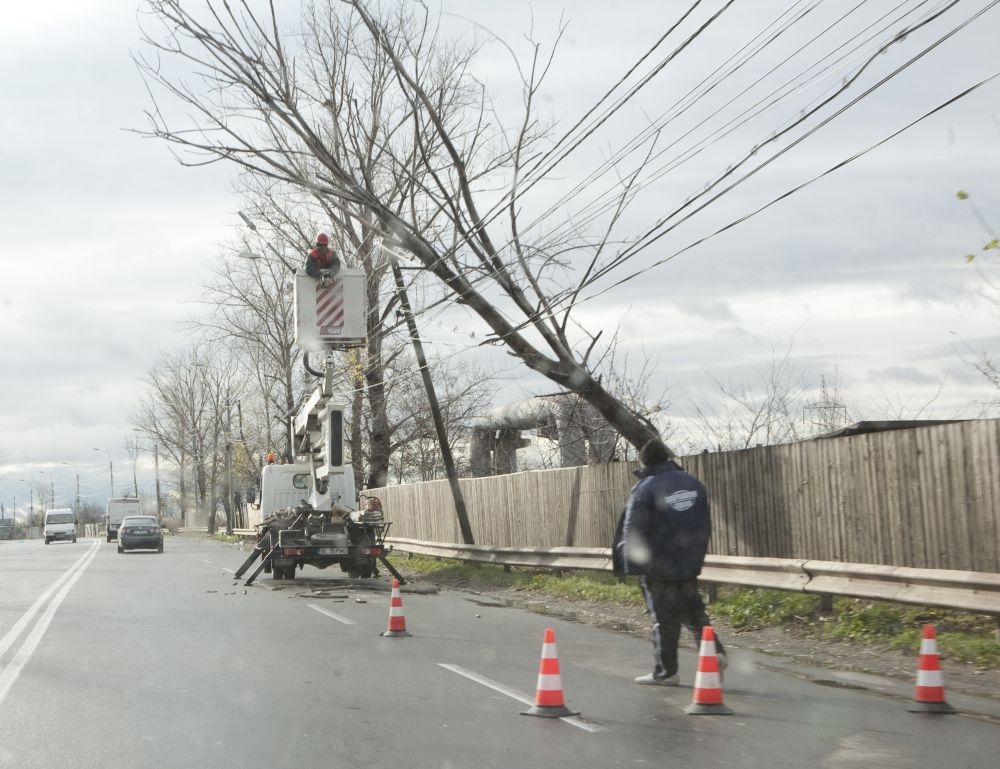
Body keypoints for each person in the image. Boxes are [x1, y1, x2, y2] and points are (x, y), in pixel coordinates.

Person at [612, 437, 726, 686]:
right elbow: (703, 523)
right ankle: (714, 652)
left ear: (645, 461)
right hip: (688, 563)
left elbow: (634, 529)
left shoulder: (645, 487)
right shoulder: (693, 483)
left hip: (657, 566)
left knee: (663, 619)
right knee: (694, 612)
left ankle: (666, 672)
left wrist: (632, 565)